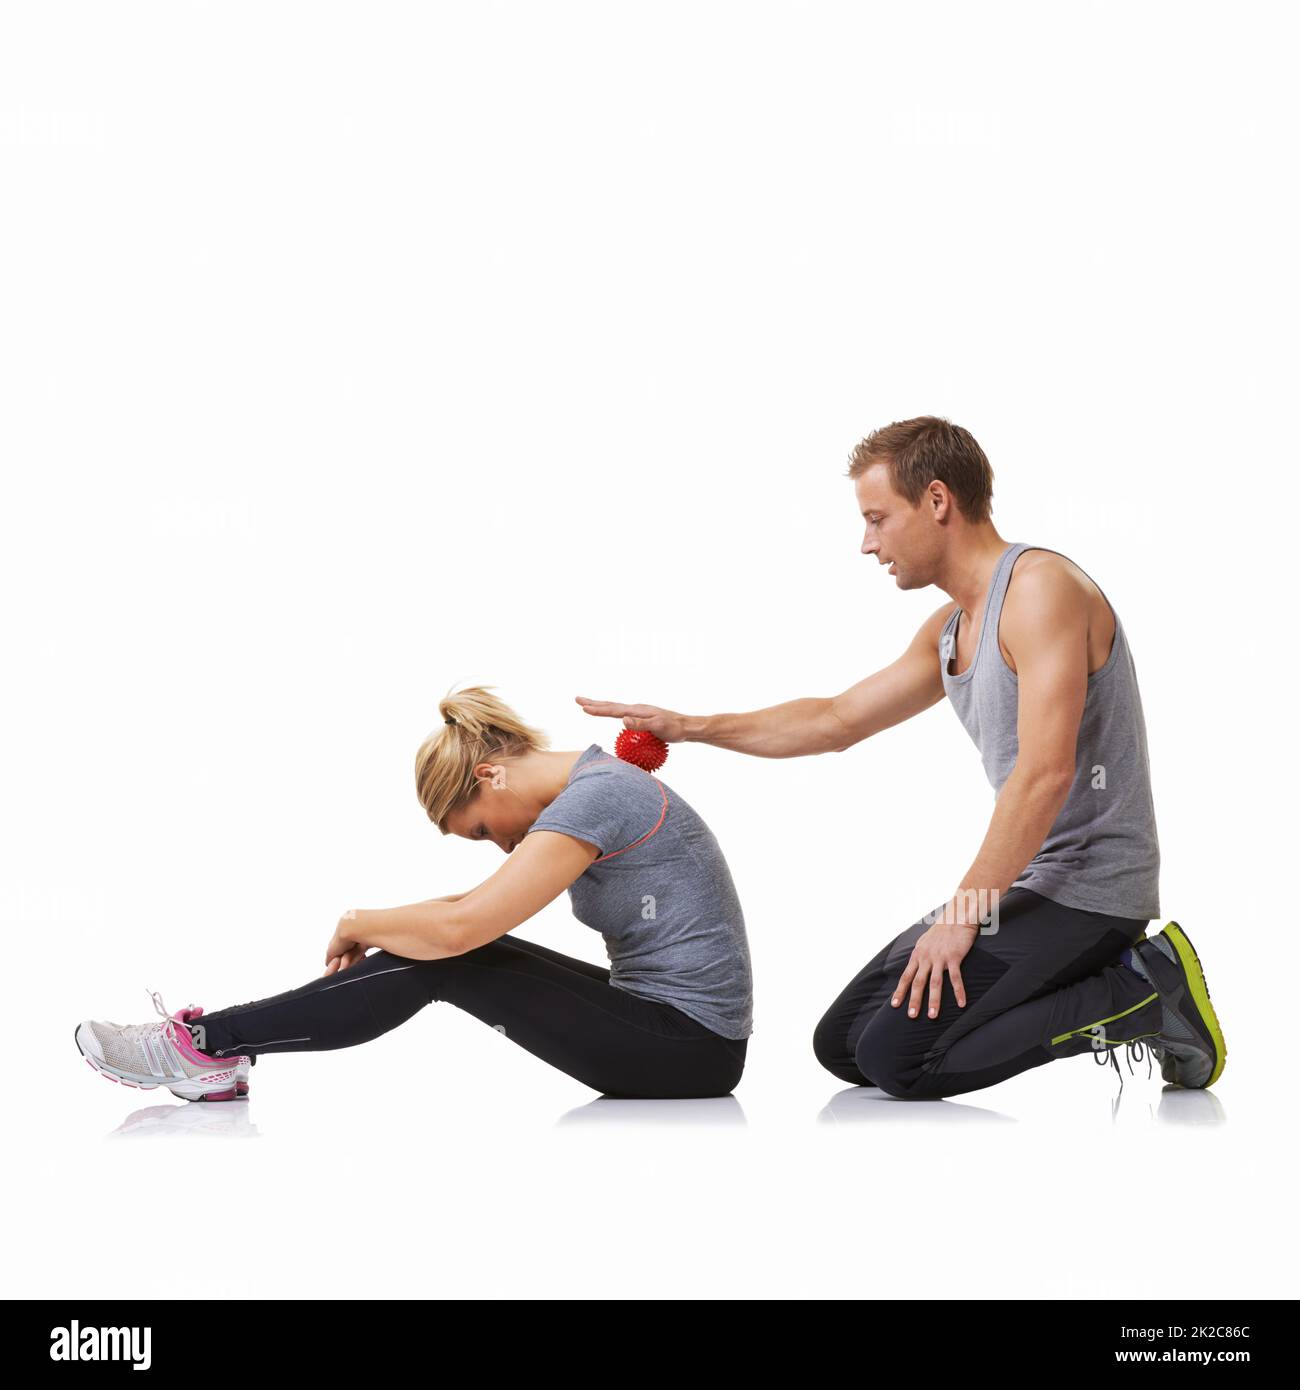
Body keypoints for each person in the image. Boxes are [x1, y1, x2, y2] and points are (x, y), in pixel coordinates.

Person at [578, 415, 1225, 1099]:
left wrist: (961, 915)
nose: (868, 543)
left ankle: (1144, 992)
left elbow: (1045, 776)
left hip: (1095, 891)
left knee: (901, 1062)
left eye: (878, 518)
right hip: (1031, 883)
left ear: (938, 501)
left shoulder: (1040, 591)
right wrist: (689, 725)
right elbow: (835, 720)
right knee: (845, 1046)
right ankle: (1094, 980)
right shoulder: (951, 629)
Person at [74, 686, 753, 1102]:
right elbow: (464, 910)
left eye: (484, 829)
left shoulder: (598, 797)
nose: (504, 847)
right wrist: (364, 923)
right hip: (672, 1033)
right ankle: (214, 1053)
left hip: (689, 1049)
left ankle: (199, 1047)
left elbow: (459, 932)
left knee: (452, 956)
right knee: (458, 949)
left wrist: (363, 921)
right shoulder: (594, 790)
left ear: (492, 775)